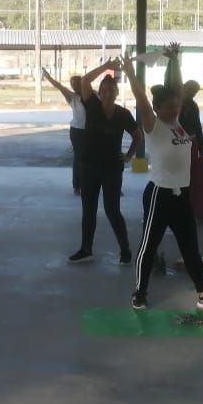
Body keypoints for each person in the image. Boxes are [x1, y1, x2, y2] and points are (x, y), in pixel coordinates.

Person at [120, 47, 203, 311]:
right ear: (157, 109)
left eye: (177, 106)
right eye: (170, 107)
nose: (175, 110)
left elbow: (176, 88)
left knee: (190, 248)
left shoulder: (178, 124)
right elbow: (141, 98)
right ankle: (139, 292)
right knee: (149, 246)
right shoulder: (153, 126)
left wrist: (174, 61)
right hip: (160, 194)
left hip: (182, 195)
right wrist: (130, 73)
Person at [68, 61, 140, 264]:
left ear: (117, 92)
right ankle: (86, 249)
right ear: (99, 93)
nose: (108, 93)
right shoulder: (92, 105)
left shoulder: (123, 114)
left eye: (111, 90)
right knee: (88, 210)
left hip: (111, 169)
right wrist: (106, 65)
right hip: (89, 167)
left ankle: (125, 250)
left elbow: (138, 136)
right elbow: (85, 81)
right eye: (104, 90)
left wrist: (129, 155)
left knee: (112, 210)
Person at [42, 67, 85, 195]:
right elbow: (60, 87)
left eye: (77, 83)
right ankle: (77, 185)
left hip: (90, 131)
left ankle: (90, 183)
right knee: (78, 157)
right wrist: (49, 78)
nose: (74, 86)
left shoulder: (92, 94)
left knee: (90, 158)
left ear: (82, 83)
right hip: (77, 131)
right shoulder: (72, 97)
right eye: (72, 84)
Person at [179, 80, 203, 156]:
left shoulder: (193, 107)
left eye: (194, 92)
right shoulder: (172, 104)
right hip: (175, 142)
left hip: (189, 142)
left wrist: (201, 149)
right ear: (183, 87)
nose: (191, 93)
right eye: (189, 90)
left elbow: (197, 127)